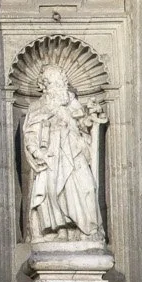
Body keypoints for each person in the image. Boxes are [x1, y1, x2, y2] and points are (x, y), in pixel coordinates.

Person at [21, 64, 105, 244]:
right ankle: (61, 230)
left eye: (61, 82)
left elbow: (83, 124)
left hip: (75, 151)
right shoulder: (37, 107)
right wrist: (37, 152)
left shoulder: (71, 102)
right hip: (52, 156)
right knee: (53, 192)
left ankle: (87, 229)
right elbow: (30, 134)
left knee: (87, 187)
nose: (60, 86)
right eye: (54, 83)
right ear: (45, 86)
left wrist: (92, 116)